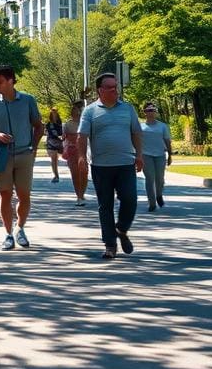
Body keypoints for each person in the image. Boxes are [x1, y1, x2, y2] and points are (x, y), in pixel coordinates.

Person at [77, 73, 143, 259]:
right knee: (105, 206)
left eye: (116, 87)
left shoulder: (128, 109)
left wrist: (139, 155)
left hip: (125, 164)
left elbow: (136, 133)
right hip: (101, 166)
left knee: (130, 199)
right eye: (111, 87)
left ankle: (121, 229)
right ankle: (110, 245)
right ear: (100, 90)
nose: (115, 90)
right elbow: (82, 137)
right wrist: (81, 158)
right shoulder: (90, 111)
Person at [0, 64, 44, 250]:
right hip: (2, 155)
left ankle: (20, 228)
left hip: (24, 154)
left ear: (11, 81)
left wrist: (33, 146)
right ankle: (8, 234)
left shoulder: (27, 100)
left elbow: (39, 126)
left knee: (24, 195)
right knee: (5, 194)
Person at [141, 101, 172, 212]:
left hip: (160, 155)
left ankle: (159, 195)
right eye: (149, 110)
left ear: (156, 113)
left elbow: (167, 141)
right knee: (149, 178)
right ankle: (152, 202)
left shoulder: (162, 126)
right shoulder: (141, 127)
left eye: (153, 110)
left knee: (160, 178)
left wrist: (170, 155)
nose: (151, 112)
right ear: (144, 112)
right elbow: (137, 141)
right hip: (146, 155)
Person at [62, 101, 88, 206]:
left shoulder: (85, 123)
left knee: (84, 173)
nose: (76, 112)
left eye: (78, 110)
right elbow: (65, 138)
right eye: (74, 110)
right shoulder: (67, 124)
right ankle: (79, 195)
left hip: (84, 151)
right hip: (72, 151)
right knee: (75, 174)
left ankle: (82, 194)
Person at [45, 107, 64, 183]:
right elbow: (50, 133)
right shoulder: (49, 124)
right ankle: (56, 176)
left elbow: (61, 133)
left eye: (55, 113)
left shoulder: (60, 123)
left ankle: (56, 175)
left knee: (56, 159)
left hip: (59, 143)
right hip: (51, 142)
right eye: (53, 113)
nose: (54, 114)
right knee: (54, 159)